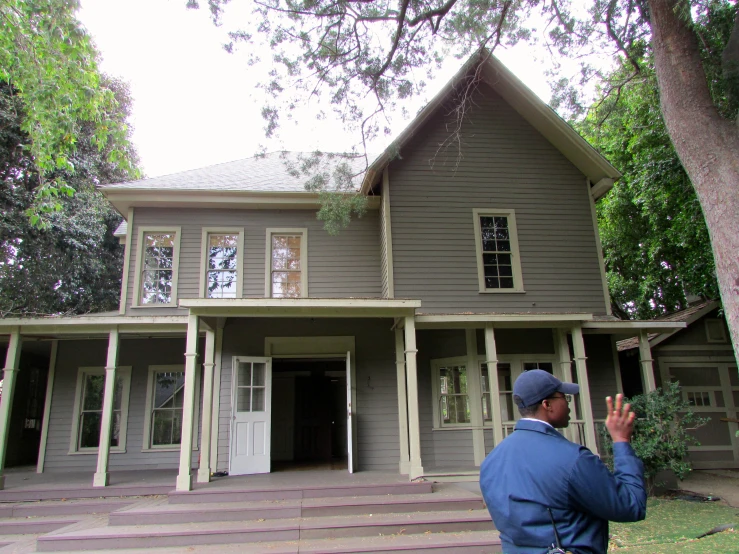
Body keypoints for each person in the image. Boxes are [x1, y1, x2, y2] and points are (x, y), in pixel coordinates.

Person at [479, 370, 646, 553]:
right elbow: (631, 505)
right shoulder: (574, 460)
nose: (569, 405)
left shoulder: (491, 462)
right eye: (564, 398)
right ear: (547, 404)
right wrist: (621, 441)